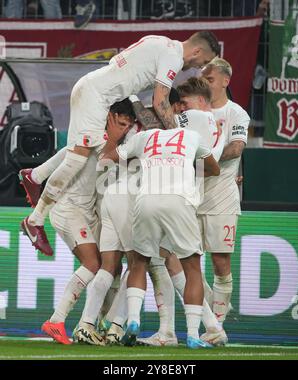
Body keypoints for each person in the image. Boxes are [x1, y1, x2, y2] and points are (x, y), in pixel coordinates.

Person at [20, 31, 220, 257]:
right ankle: (35, 221)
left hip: (95, 92)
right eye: (201, 62)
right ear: (197, 51)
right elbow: (160, 99)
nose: (195, 67)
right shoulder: (173, 56)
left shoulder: (159, 42)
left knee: (93, 149)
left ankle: (35, 176)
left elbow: (123, 69)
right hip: (95, 96)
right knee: (78, 158)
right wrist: (177, 138)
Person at [101, 110, 220, 348]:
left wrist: (119, 144)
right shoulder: (192, 136)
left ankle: (133, 320)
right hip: (178, 200)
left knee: (139, 263)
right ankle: (194, 335)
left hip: (146, 200)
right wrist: (187, 168)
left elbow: (108, 157)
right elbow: (214, 169)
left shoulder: (144, 137)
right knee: (192, 269)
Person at [35, 100, 135, 345]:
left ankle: (100, 323)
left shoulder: (103, 137)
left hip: (87, 211)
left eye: (128, 126)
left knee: (112, 265)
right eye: (120, 123)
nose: (123, 130)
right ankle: (57, 320)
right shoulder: (99, 136)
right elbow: (104, 157)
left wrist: (38, 172)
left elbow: (65, 154)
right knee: (94, 263)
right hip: (69, 209)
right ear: (110, 118)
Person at [194, 58, 250, 343]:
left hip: (222, 196)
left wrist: (206, 160)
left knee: (220, 263)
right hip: (191, 194)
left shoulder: (236, 113)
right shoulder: (192, 111)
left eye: (211, 79)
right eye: (203, 79)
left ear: (226, 81)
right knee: (183, 262)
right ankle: (211, 320)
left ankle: (216, 327)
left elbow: (237, 147)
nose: (205, 84)